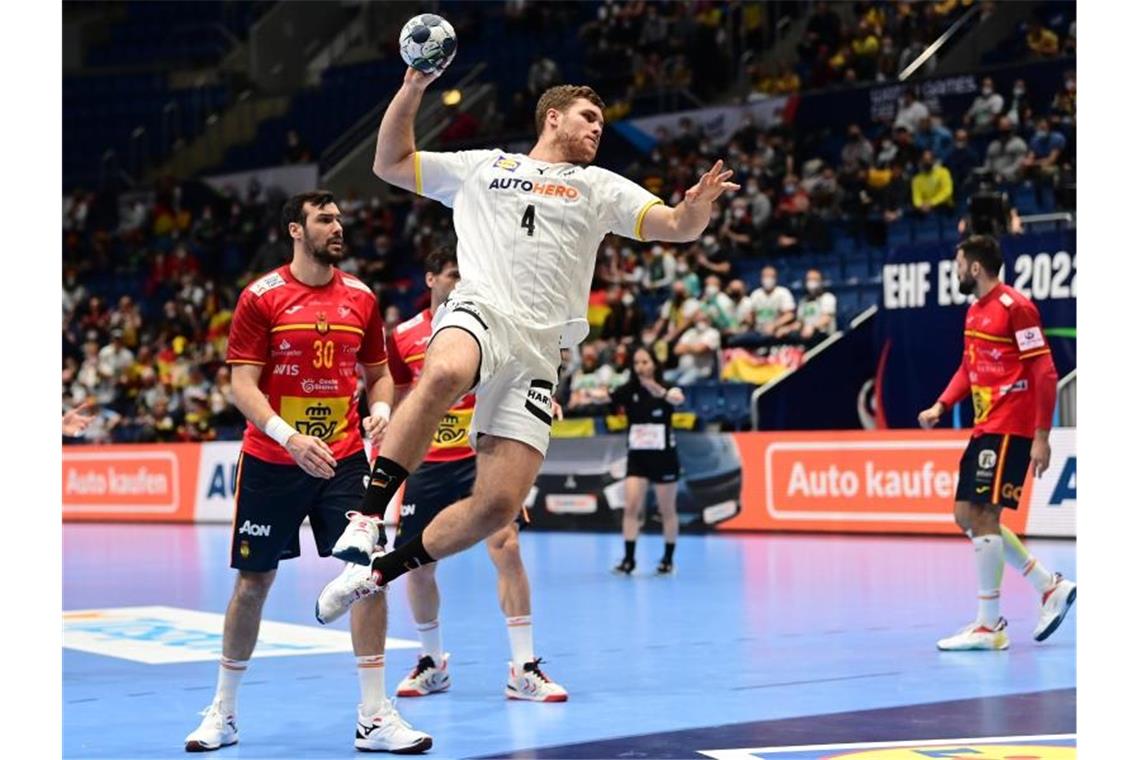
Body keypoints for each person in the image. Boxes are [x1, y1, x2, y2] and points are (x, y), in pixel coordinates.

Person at [322, 69, 738, 601]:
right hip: (482, 310)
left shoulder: (600, 186)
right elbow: (391, 162)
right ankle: (368, 518)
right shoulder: (484, 166)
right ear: (553, 118)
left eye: (603, 123)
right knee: (446, 369)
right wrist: (412, 89)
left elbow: (678, 226)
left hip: (542, 353)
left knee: (496, 505)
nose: (597, 129)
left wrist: (697, 207)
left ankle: (377, 573)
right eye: (589, 118)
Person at [183, 191, 431, 754]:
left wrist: (382, 412)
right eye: (325, 219)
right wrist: (287, 437)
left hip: (343, 458)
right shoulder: (260, 297)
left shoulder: (363, 297)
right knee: (253, 584)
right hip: (273, 459)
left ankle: (374, 716)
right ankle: (222, 712)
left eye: (340, 217)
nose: (338, 226)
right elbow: (241, 385)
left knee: (369, 572)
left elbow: (380, 375)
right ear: (297, 230)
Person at [320, 246, 567, 703]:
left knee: (506, 547)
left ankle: (524, 667)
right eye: (452, 274)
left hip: (482, 454)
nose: (459, 281)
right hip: (428, 464)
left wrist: (538, 398)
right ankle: (432, 663)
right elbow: (392, 389)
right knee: (420, 566)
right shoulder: (406, 336)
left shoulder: (494, 324)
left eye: (465, 273)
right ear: (431, 279)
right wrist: (380, 414)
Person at [918, 235, 1075, 651]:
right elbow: (969, 369)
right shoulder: (974, 312)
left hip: (1012, 426)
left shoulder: (1016, 308)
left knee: (985, 515)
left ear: (974, 267)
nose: (954, 271)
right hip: (985, 426)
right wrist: (941, 404)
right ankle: (1049, 586)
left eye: (957, 264)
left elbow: (1044, 372)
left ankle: (990, 625)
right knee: (965, 515)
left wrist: (1042, 435)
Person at [607, 346, 685, 576]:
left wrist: (657, 390)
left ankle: (667, 560)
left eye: (645, 362)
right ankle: (629, 560)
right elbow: (607, 397)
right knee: (631, 506)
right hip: (638, 458)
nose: (640, 367)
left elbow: (678, 399)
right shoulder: (629, 390)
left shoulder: (668, 387)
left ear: (654, 364)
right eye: (637, 363)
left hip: (664, 457)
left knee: (666, 509)